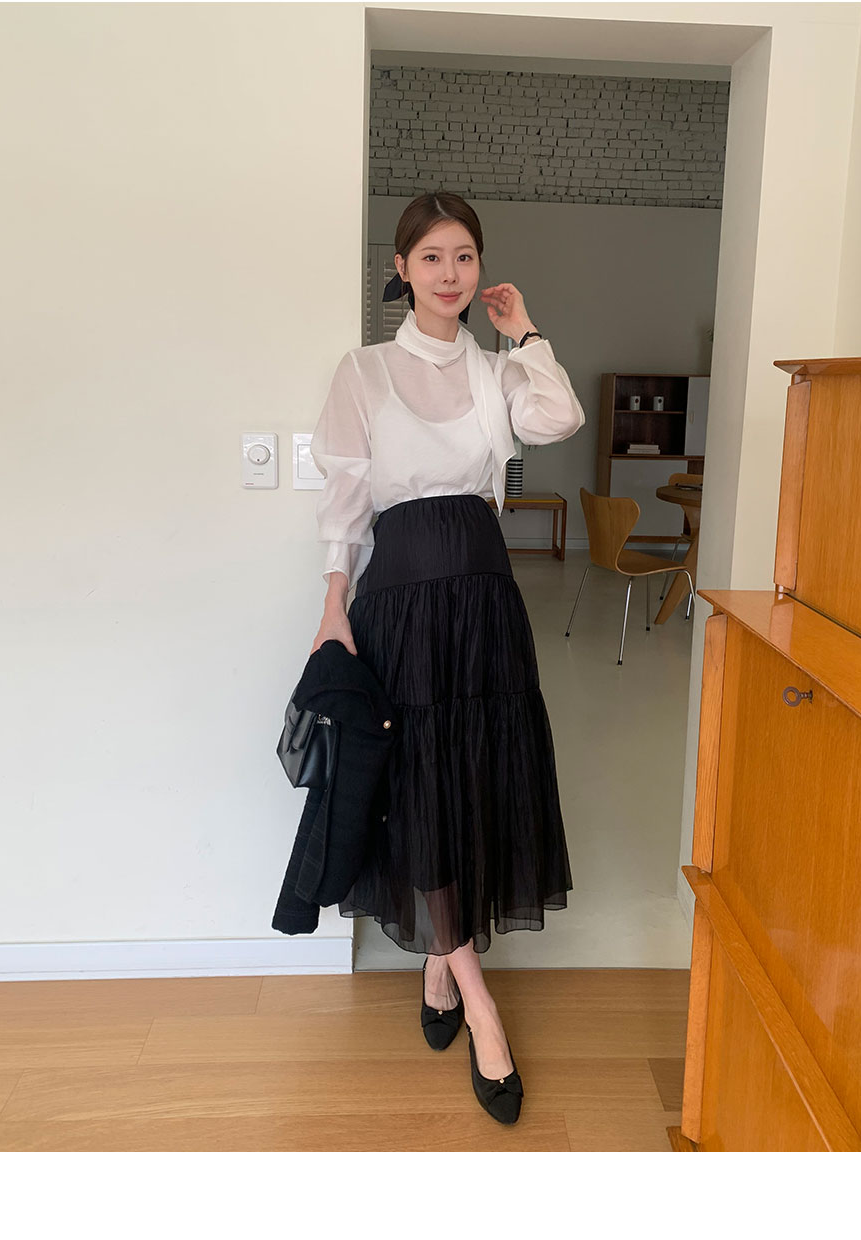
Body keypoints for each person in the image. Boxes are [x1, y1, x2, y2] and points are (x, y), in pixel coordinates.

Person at [308, 190, 585, 1124]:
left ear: (481, 270)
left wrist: (526, 332)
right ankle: (482, 1007)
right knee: (421, 784)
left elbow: (560, 418)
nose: (450, 272)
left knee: (475, 779)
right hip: (399, 599)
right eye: (431, 256)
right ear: (401, 269)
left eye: (464, 255)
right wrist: (333, 606)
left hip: (484, 598)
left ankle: (438, 959)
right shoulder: (363, 370)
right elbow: (346, 503)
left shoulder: (499, 371)